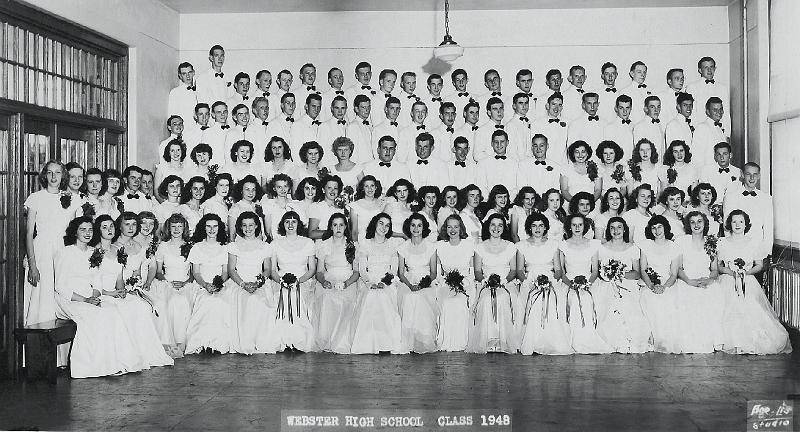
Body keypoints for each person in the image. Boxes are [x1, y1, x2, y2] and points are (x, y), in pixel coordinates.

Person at [54, 217, 144, 378]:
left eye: (90, 230)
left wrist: (95, 296)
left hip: (90, 297)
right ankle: (91, 366)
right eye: (83, 229)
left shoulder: (92, 252)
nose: (87, 233)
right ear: (75, 232)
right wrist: (86, 300)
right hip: (70, 299)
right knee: (98, 316)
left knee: (113, 313)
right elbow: (60, 286)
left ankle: (117, 361)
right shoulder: (65, 252)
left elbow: (97, 280)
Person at [91, 214, 174, 368]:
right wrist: (121, 290)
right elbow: (101, 277)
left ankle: (152, 348)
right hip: (111, 291)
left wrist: (136, 285)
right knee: (139, 307)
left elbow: (134, 271)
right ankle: (135, 351)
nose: (131, 228)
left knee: (156, 305)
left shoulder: (133, 247)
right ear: (120, 227)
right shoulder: (108, 248)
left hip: (131, 288)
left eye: (134, 225)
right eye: (127, 224)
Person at [716, 210, 791, 354]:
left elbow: (759, 265)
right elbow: (718, 266)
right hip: (727, 280)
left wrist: (745, 272)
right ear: (729, 224)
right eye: (734, 221)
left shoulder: (753, 243)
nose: (737, 225)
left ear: (746, 224)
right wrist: (731, 272)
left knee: (750, 308)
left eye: (741, 221)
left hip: (747, 281)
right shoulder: (722, 242)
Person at [24, 161, 77, 329]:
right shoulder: (36, 198)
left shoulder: (71, 199)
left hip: (63, 251)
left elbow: (73, 233)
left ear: (63, 176)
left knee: (61, 294)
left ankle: (60, 354)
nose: (54, 177)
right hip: (41, 252)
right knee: (41, 297)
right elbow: (28, 233)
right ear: (45, 175)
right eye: (50, 173)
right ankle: (36, 348)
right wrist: (33, 264)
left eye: (58, 173)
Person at [516, 213, 573, 355]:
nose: (537, 229)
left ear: (545, 227)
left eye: (541, 225)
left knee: (551, 298)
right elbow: (519, 270)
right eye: (534, 225)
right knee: (533, 299)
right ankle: (532, 341)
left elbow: (558, 270)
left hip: (550, 279)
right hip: (530, 280)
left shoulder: (554, 244)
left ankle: (550, 340)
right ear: (529, 227)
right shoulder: (521, 245)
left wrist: (550, 282)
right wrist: (530, 283)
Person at [594, 217, 651, 353]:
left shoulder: (632, 248)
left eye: (619, 227)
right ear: (608, 230)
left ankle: (630, 340)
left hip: (627, 285)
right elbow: (597, 272)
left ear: (624, 229)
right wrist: (609, 275)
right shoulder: (601, 248)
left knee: (629, 307)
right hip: (606, 285)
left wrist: (619, 273)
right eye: (612, 228)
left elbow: (637, 273)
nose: (616, 231)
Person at [350, 213, 403, 354]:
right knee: (372, 296)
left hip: (387, 281)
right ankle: (369, 342)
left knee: (383, 296)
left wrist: (384, 283)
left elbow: (393, 269)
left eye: (387, 225)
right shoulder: (365, 243)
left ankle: (386, 342)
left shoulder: (393, 245)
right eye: (381, 223)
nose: (384, 227)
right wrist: (369, 283)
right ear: (375, 223)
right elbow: (362, 268)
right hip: (369, 279)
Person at [226, 211, 279, 354]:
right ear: (240, 227)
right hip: (239, 282)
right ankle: (245, 342)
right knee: (246, 300)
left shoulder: (265, 246)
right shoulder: (234, 246)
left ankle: (260, 341)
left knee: (259, 300)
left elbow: (267, 269)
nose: (248, 229)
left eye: (251, 225)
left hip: (258, 282)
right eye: (244, 225)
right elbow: (231, 270)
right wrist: (243, 284)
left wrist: (258, 283)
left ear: (256, 226)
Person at [559, 213, 611, 353]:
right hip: (568, 282)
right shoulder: (563, 245)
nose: (577, 227)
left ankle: (588, 338)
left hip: (589, 281)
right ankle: (573, 340)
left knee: (587, 298)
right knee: (573, 299)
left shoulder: (593, 244)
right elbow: (562, 271)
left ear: (585, 226)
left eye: (580, 224)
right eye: (574, 225)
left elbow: (594, 271)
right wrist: (570, 284)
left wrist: (587, 284)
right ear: (569, 227)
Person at [468, 214, 518, 354]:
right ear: (488, 227)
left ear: (504, 228)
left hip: (506, 283)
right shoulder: (480, 247)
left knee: (502, 298)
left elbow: (513, 270)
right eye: (493, 225)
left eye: (500, 225)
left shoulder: (510, 246)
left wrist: (503, 282)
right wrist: (485, 281)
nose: (496, 228)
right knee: (485, 299)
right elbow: (478, 271)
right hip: (485, 283)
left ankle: (503, 341)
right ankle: (488, 340)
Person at [676, 211, 725, 353]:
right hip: (687, 280)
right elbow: (678, 268)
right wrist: (689, 281)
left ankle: (710, 340)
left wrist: (710, 279)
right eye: (692, 222)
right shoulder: (682, 241)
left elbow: (714, 269)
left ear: (705, 224)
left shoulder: (711, 242)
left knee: (713, 296)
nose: (696, 225)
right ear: (688, 225)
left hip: (705, 281)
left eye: (699, 221)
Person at [184, 213, 234, 354]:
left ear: (219, 228)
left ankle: (218, 343)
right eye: (208, 226)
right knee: (206, 302)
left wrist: (218, 284)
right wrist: (206, 285)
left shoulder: (225, 248)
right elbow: (196, 273)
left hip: (220, 284)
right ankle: (202, 342)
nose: (212, 230)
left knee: (221, 302)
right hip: (202, 284)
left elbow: (225, 272)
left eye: (215, 226)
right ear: (203, 228)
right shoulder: (197, 247)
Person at [271, 211, 317, 352]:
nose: (290, 225)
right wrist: (282, 282)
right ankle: (283, 341)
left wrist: (298, 281)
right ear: (282, 224)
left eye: (294, 221)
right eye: (287, 222)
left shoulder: (308, 242)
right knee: (283, 296)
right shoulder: (275, 243)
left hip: (303, 280)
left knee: (297, 297)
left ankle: (299, 340)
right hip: (281, 281)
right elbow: (273, 270)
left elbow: (312, 269)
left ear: (298, 224)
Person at [638, 215, 685, 353]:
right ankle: (652, 339)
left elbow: (673, 274)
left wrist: (664, 287)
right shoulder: (645, 245)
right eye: (653, 227)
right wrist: (652, 286)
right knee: (649, 299)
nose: (657, 231)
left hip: (667, 283)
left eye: (660, 227)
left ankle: (664, 340)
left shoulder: (674, 247)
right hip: (649, 283)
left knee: (668, 301)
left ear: (665, 228)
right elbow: (643, 270)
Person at [314, 213, 360, 353]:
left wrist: (346, 283)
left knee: (345, 300)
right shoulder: (324, 245)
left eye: (341, 224)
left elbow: (356, 272)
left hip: (348, 279)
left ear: (345, 227)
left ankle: (342, 341)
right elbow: (319, 271)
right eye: (335, 225)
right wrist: (324, 281)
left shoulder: (352, 245)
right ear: (330, 227)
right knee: (328, 297)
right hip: (330, 277)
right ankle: (327, 338)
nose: (338, 228)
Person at [150, 213, 194, 358]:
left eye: (180, 226)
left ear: (184, 228)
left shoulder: (190, 246)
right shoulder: (163, 246)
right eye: (173, 226)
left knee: (183, 302)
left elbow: (194, 273)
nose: (176, 229)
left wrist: (185, 283)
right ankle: (171, 342)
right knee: (173, 301)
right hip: (166, 282)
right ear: (168, 228)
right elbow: (157, 271)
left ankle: (183, 342)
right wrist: (168, 283)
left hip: (186, 283)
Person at [396, 213, 439, 353]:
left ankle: (423, 339)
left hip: (426, 281)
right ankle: (409, 340)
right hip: (408, 280)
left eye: (419, 225)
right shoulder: (403, 247)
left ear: (424, 227)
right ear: (409, 227)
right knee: (409, 297)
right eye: (413, 225)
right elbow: (401, 273)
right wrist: (410, 285)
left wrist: (422, 285)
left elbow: (433, 272)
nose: (416, 228)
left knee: (421, 297)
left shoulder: (431, 247)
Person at [434, 214, 476, 352]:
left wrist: (463, 283)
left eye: (456, 226)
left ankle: (461, 341)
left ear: (461, 228)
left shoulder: (469, 245)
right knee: (447, 302)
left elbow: (472, 272)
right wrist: (446, 283)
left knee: (459, 302)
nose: (453, 230)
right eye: (449, 226)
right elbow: (439, 273)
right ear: (445, 229)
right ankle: (446, 340)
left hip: (466, 284)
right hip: (446, 284)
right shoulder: (440, 246)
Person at [722, 162, 774, 260]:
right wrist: (731, 249)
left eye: (755, 175)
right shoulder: (731, 197)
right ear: (742, 174)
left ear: (759, 176)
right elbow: (727, 226)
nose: (752, 178)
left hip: (758, 251)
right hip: (736, 250)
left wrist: (766, 253)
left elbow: (768, 228)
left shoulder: (766, 198)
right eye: (748, 174)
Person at [686, 57, 730, 131]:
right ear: (700, 70)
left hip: (719, 130)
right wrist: (695, 130)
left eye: (711, 67)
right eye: (706, 67)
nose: (709, 70)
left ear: (715, 69)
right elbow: (691, 112)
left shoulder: (722, 88)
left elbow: (726, 112)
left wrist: (727, 133)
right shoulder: (692, 87)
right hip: (701, 130)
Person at [477, 130, 518, 198]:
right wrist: (492, 200)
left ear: (507, 143)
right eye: (496, 142)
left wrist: (506, 200)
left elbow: (516, 187)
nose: (499, 145)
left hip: (510, 203)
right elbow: (481, 186)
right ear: (492, 144)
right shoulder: (482, 163)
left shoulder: (515, 163)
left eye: (502, 142)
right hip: (489, 204)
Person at [560, 140, 602, 205]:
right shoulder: (566, 169)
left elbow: (598, 190)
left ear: (587, 153)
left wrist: (589, 203)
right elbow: (564, 190)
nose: (580, 155)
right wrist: (576, 203)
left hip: (592, 204)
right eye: (577, 152)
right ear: (573, 154)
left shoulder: (596, 168)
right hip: (572, 204)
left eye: (583, 152)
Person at [691, 97, 728, 169]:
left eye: (721, 109)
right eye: (715, 110)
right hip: (707, 174)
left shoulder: (719, 129)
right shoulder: (702, 127)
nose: (719, 112)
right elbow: (696, 157)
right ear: (708, 112)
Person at [261, 174, 299, 242]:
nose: (283, 190)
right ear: (274, 188)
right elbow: (268, 231)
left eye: (285, 186)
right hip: (275, 240)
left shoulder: (295, 204)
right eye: (279, 187)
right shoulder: (268, 204)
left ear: (289, 187)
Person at [227, 175, 263, 241]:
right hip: (242, 246)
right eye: (247, 189)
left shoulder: (257, 206)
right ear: (241, 191)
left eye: (253, 189)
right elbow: (231, 236)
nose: (251, 193)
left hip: (258, 245)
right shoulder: (235, 208)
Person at [308, 175, 344, 240]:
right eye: (329, 188)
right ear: (323, 190)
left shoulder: (341, 209)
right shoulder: (316, 207)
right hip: (323, 245)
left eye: (335, 188)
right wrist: (332, 233)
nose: (332, 191)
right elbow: (311, 233)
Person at [317, 96, 350, 167]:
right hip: (332, 167)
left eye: (343, 108)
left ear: (346, 109)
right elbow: (322, 152)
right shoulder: (325, 126)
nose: (340, 111)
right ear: (332, 108)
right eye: (337, 108)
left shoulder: (349, 125)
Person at [473, 97, 506, 162]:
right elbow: (477, 155)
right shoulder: (482, 131)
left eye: (501, 108)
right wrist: (495, 160)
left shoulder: (507, 128)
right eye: (495, 109)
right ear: (489, 112)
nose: (499, 112)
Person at [602, 95, 634, 160]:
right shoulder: (609, 128)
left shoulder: (634, 127)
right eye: (621, 108)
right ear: (616, 109)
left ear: (631, 108)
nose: (625, 111)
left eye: (627, 108)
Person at [345, 94, 373, 164]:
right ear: (356, 109)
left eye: (368, 107)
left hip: (372, 166)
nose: (367, 110)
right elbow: (352, 153)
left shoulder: (370, 125)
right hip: (361, 167)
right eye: (363, 107)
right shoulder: (353, 126)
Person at [504, 93, 532, 160]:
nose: (524, 106)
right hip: (518, 163)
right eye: (520, 103)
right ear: (514, 106)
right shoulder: (510, 125)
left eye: (526, 103)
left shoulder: (530, 122)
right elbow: (510, 151)